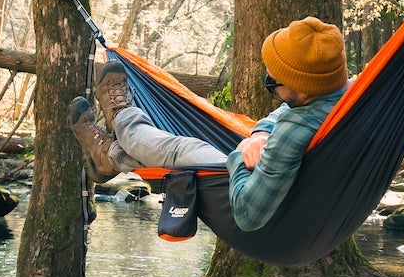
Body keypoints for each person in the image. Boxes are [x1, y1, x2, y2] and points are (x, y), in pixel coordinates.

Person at [70, 17, 350, 232]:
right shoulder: (345, 95)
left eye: (272, 82)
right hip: (300, 198)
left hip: (257, 209)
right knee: (178, 148)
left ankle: (122, 118)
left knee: (181, 148)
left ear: (302, 87)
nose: (271, 88)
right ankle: (109, 155)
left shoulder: (293, 132)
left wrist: (241, 151)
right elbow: (286, 110)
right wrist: (260, 133)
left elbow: (247, 214)